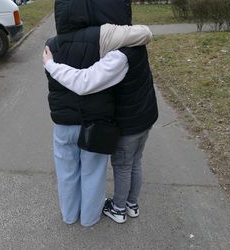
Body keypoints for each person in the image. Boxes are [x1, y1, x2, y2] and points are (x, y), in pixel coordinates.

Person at [44, 0, 158, 224]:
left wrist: (50, 65)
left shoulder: (51, 45)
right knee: (93, 173)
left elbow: (57, 82)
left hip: (62, 122)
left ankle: (69, 216)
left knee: (66, 173)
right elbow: (89, 81)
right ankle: (90, 218)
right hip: (94, 123)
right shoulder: (103, 43)